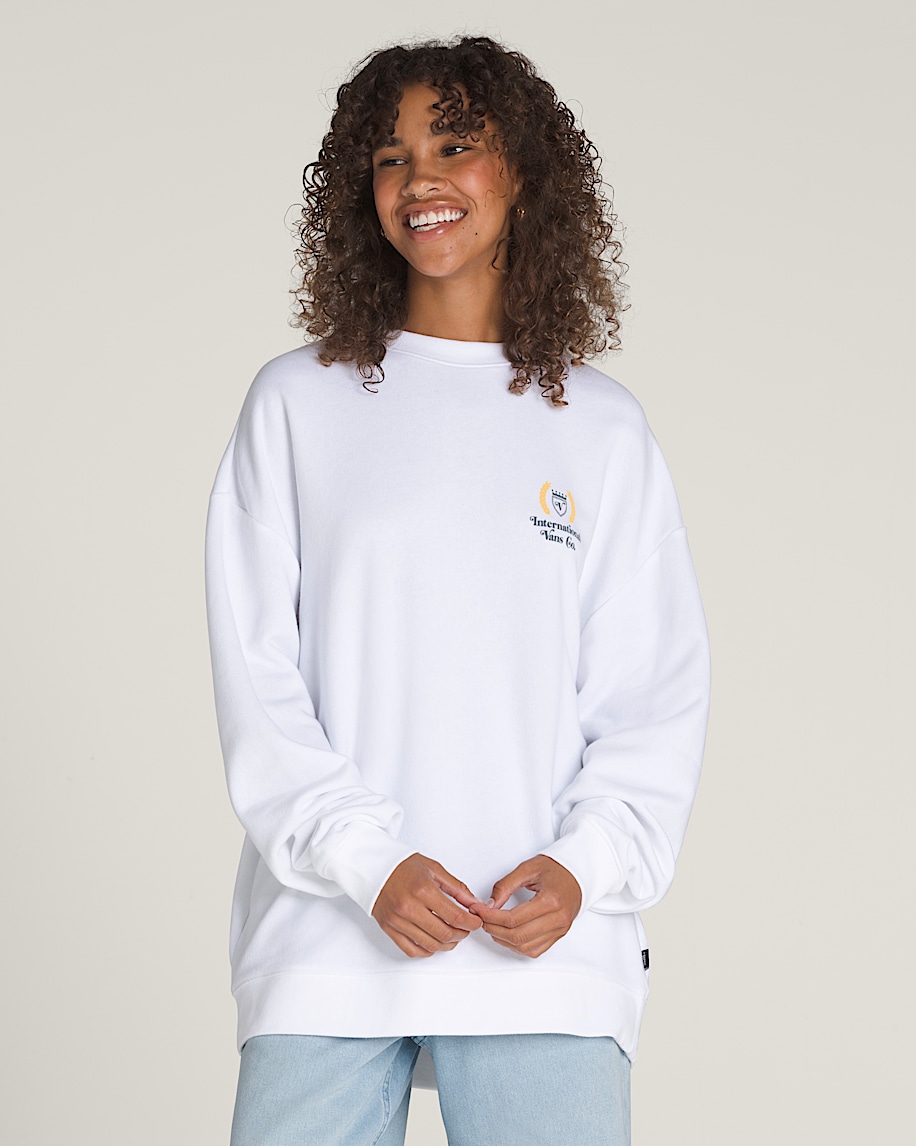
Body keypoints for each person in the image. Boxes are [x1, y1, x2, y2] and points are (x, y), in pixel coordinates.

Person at [205, 33, 710, 1146]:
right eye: (390, 156)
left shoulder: (601, 428)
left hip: (544, 947)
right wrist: (367, 862)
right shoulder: (297, 404)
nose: (419, 179)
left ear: (520, 171)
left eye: (455, 145)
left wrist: (583, 868)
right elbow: (256, 676)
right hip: (327, 942)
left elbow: (652, 695)